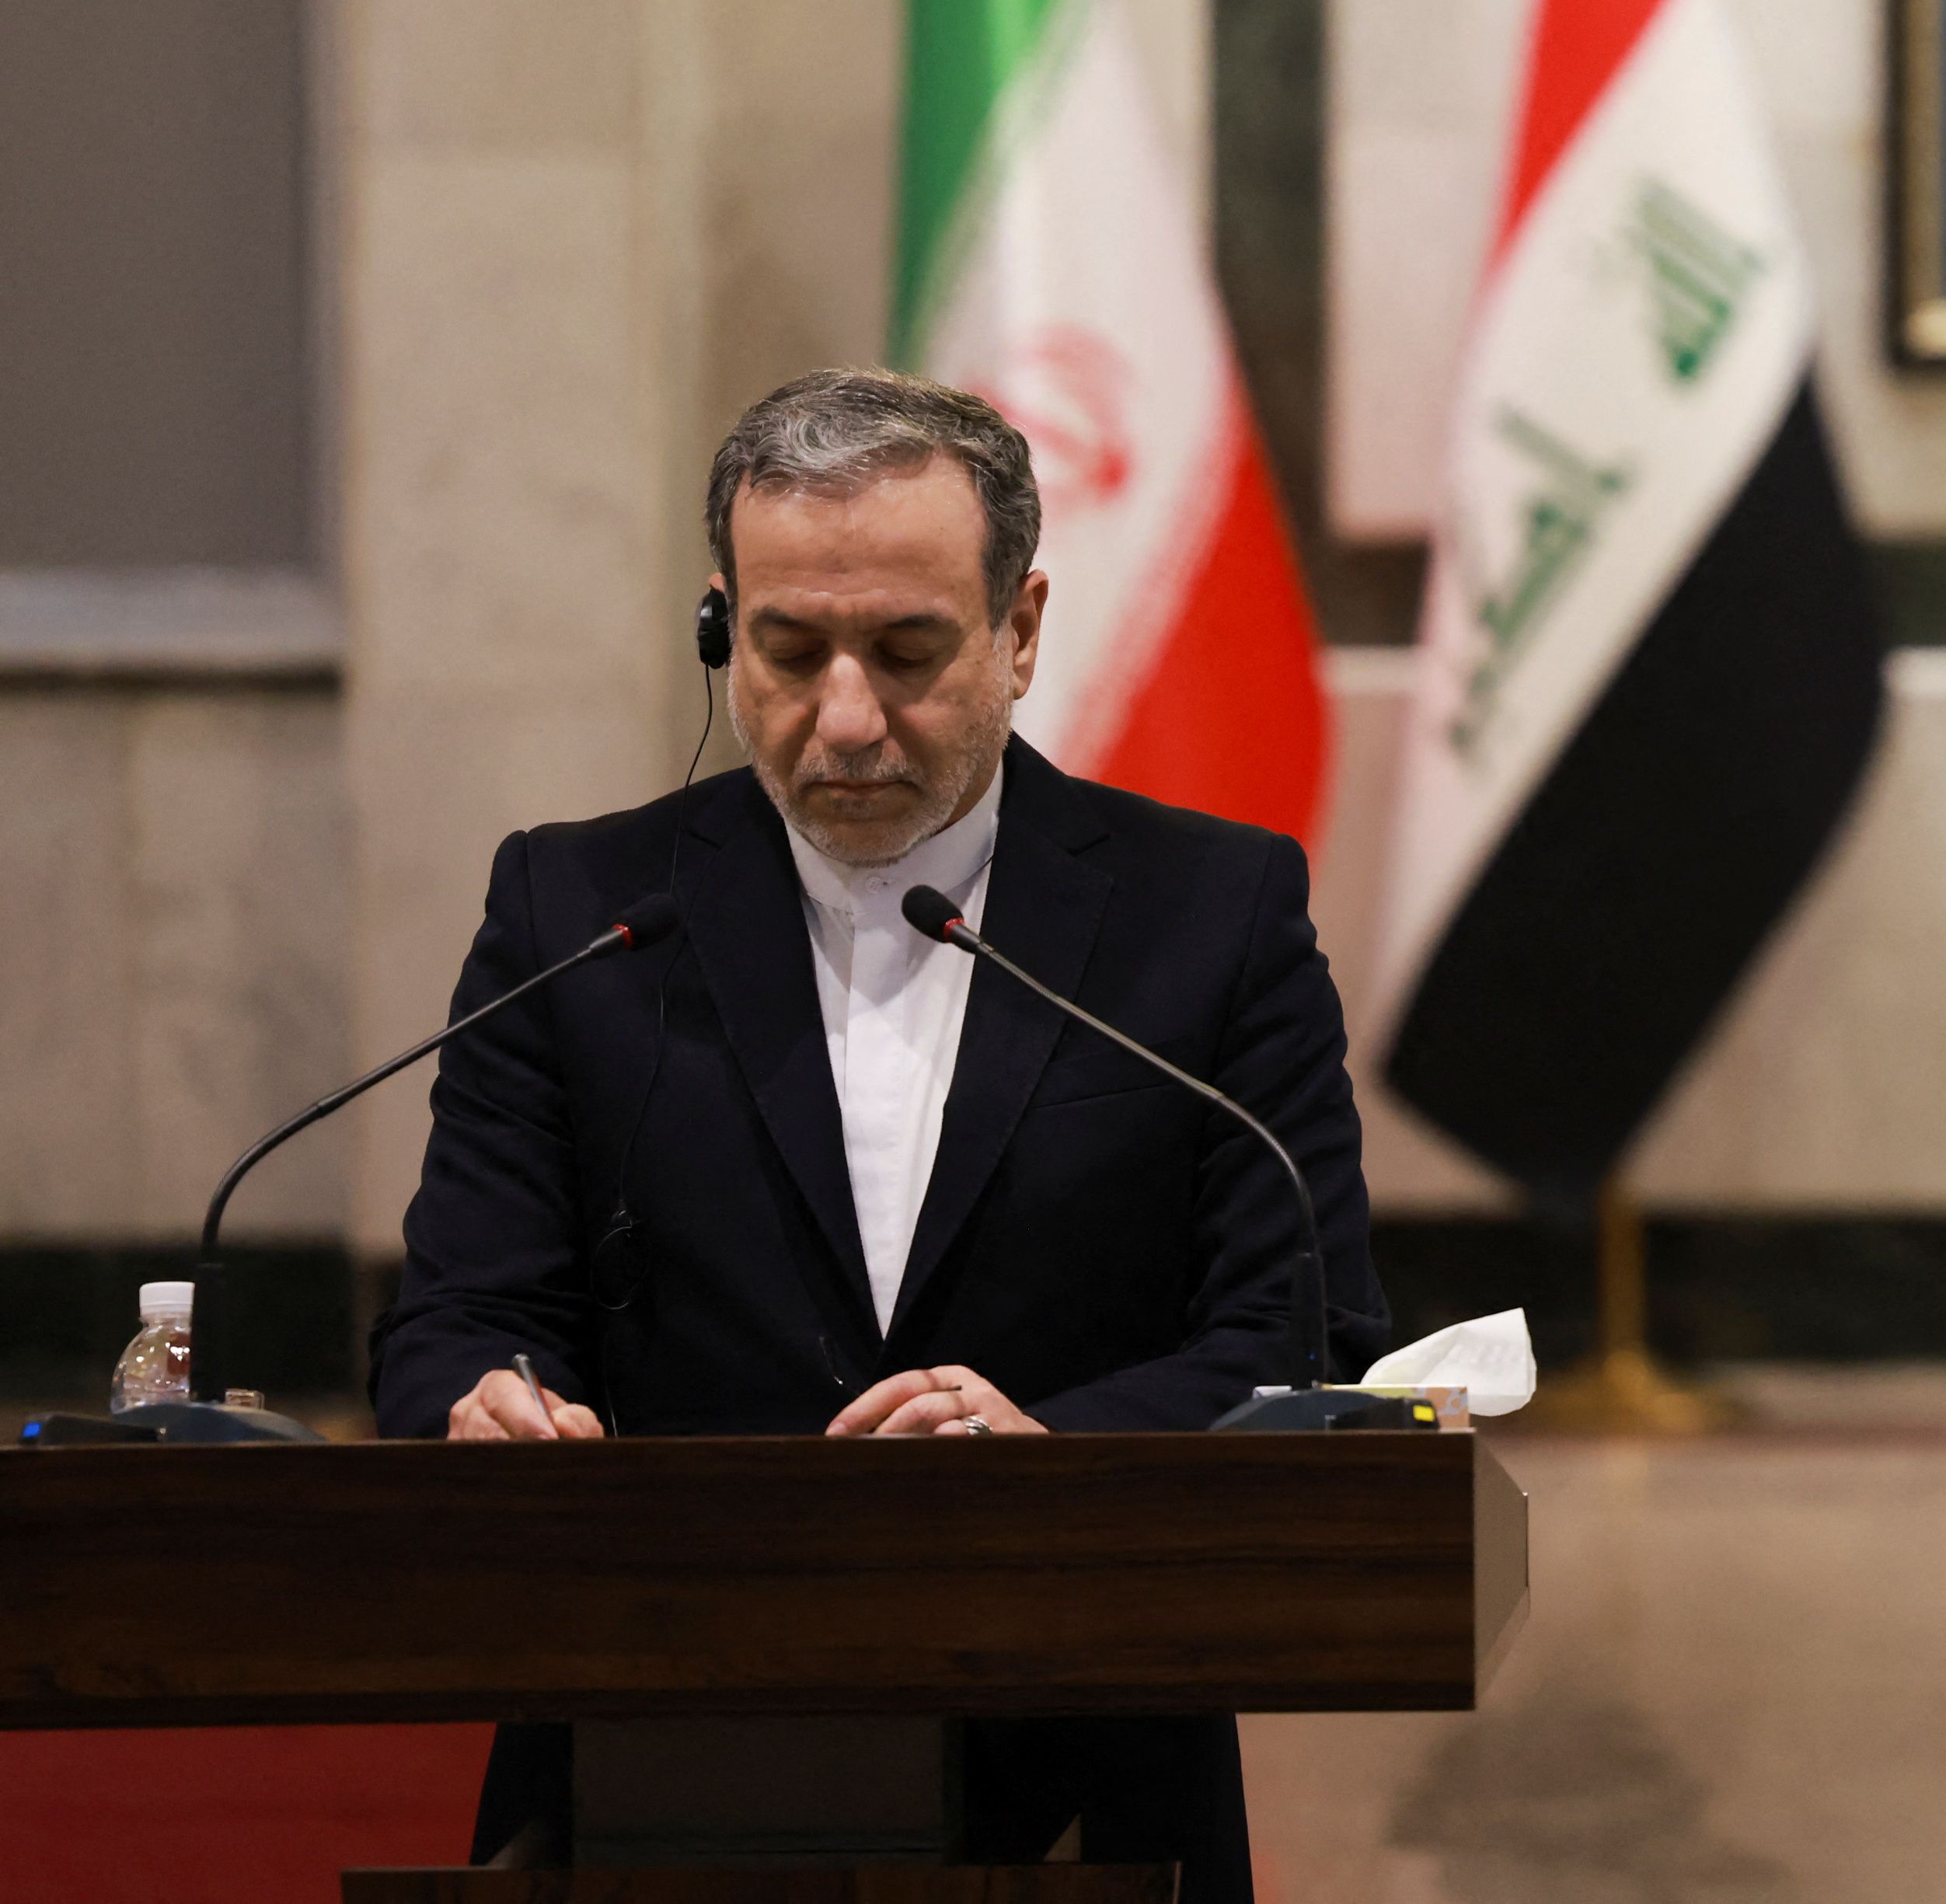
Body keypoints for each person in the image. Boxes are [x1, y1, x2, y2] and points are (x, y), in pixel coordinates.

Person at [369, 368, 1390, 1898]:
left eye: (908, 652)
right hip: (656, 1745)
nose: (845, 719)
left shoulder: (1211, 913)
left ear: (1020, 631)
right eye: (789, 652)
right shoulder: (576, 913)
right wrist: (490, 1401)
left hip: (1088, 1765)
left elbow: (1305, 1338)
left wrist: (1045, 1450)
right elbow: (455, 1319)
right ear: (721, 628)